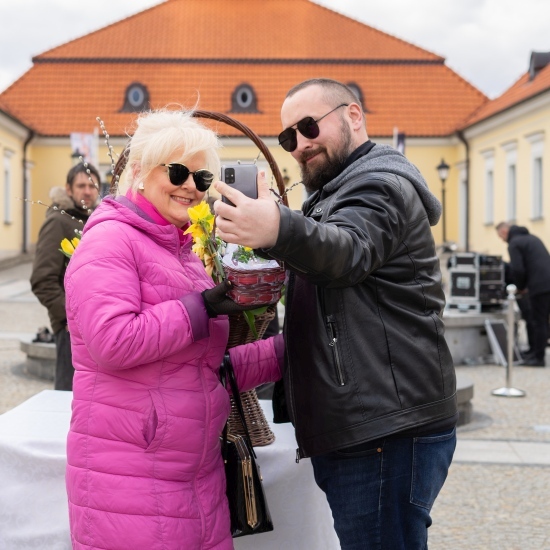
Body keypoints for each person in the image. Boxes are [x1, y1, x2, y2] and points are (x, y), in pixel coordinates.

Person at [214, 78, 457, 549]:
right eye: (288, 138)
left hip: (386, 430)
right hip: (372, 425)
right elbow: (331, 323)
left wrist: (277, 227)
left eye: (309, 127)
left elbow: (346, 253)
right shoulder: (333, 195)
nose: (300, 145)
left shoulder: (379, 186)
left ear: (353, 116)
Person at [63, 109, 283, 549]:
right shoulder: (110, 240)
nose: (190, 187)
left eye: (201, 179)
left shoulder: (179, 249)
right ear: (140, 171)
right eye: (178, 171)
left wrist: (290, 349)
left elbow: (203, 367)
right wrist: (200, 306)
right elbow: (113, 341)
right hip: (132, 478)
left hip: (193, 475)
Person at [30, 162, 101, 390]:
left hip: (100, 327)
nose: (87, 191)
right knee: (69, 398)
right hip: (71, 330)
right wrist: (71, 317)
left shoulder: (98, 220)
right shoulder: (58, 222)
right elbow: (42, 280)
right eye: (81, 185)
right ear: (68, 189)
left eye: (92, 186)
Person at [496, 221, 550, 366]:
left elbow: (518, 269)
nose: (502, 239)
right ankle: (534, 351)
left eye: (500, 236)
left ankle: (538, 358)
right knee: (542, 321)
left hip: (539, 286)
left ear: (504, 232)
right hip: (547, 282)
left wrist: (520, 287)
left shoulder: (514, 243)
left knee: (539, 322)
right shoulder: (533, 238)